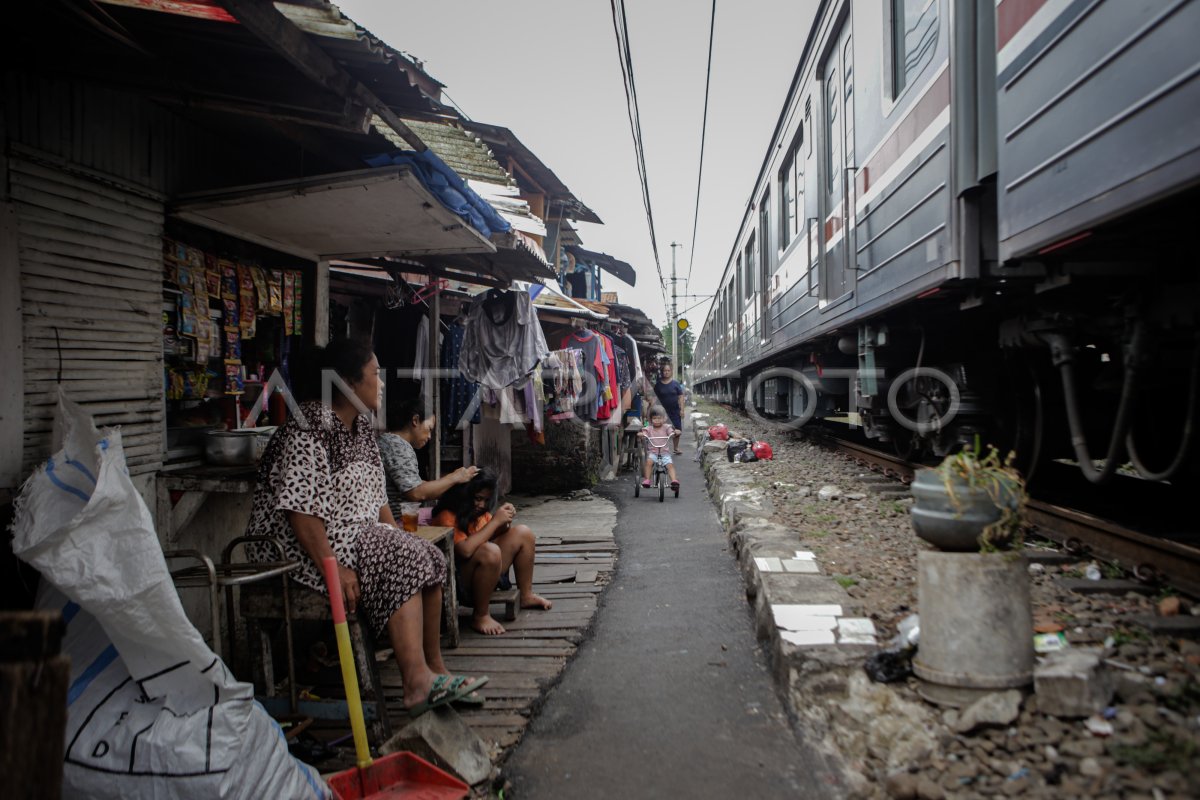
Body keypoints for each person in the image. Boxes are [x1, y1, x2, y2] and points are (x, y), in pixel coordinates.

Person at [245, 339, 485, 717]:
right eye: (375, 374)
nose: (382, 383)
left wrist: (396, 535)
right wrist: (333, 567)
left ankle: (435, 672)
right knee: (403, 558)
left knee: (426, 554)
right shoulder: (309, 427)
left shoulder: (361, 428)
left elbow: (378, 500)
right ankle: (415, 684)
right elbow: (301, 512)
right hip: (297, 550)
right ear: (346, 382)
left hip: (353, 538)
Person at [432, 470, 552, 636]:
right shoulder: (447, 516)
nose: (481, 505)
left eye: (486, 500)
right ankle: (481, 615)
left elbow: (491, 534)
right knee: (490, 551)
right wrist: (495, 522)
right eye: (477, 498)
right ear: (465, 495)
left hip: (485, 576)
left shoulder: (481, 515)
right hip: (458, 582)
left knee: (524, 533)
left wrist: (503, 522)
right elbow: (465, 551)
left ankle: (526, 595)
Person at [378, 395, 479, 519]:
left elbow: (417, 484)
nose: (430, 436)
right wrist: (454, 477)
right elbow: (416, 493)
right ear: (415, 420)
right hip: (396, 521)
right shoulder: (397, 446)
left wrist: (452, 486)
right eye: (429, 428)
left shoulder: (386, 441)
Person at [640, 404, 679, 490]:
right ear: (650, 419)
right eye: (654, 418)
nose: (657, 420)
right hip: (653, 453)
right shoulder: (649, 428)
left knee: (670, 465)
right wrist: (642, 434)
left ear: (664, 418)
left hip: (664, 453)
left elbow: (671, 432)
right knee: (649, 462)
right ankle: (647, 480)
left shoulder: (666, 427)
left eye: (659, 418)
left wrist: (675, 432)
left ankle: (674, 481)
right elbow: (644, 433)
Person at [652, 361, 687, 454]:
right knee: (661, 431)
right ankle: (662, 449)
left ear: (671, 371)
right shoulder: (658, 385)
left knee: (677, 430)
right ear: (662, 372)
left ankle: (676, 448)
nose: (666, 372)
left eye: (668, 370)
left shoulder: (675, 384)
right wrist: (652, 409)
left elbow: (681, 397)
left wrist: (682, 410)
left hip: (675, 411)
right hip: (662, 412)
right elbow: (654, 398)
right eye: (664, 371)